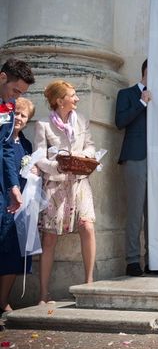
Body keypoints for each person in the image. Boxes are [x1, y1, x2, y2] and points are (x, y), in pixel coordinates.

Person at [35, 80, 97, 303]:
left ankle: (89, 285)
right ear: (60, 101)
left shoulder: (81, 121)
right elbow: (39, 156)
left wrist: (86, 157)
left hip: (80, 182)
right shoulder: (43, 124)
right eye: (72, 95)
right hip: (55, 185)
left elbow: (89, 145)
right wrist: (57, 165)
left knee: (87, 226)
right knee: (49, 237)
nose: (77, 98)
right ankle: (43, 294)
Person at [116, 59, 158, 276]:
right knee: (135, 212)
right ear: (146, 71)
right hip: (135, 158)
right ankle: (133, 261)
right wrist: (142, 103)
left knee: (154, 213)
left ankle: (153, 260)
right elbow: (120, 121)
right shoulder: (126, 94)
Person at [0, 94, 36, 314]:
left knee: (13, 252)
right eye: (17, 113)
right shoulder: (1, 139)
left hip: (18, 207)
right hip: (2, 199)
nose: (20, 118)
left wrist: (34, 171)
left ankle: (3, 300)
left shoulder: (26, 144)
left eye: (24, 115)